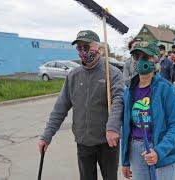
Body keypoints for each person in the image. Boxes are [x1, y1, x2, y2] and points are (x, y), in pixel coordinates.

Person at [38, 30, 124, 180]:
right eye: (79, 48)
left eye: (86, 47)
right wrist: (46, 136)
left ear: (99, 48)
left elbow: (119, 102)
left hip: (108, 142)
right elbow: (60, 108)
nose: (83, 51)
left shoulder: (113, 73)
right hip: (84, 142)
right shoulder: (73, 76)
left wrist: (113, 127)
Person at [121, 41, 175, 180]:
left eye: (145, 57)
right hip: (136, 150)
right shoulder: (129, 92)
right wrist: (124, 161)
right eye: (137, 56)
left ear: (155, 60)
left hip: (160, 149)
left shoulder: (166, 89)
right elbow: (125, 127)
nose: (140, 60)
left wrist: (159, 152)